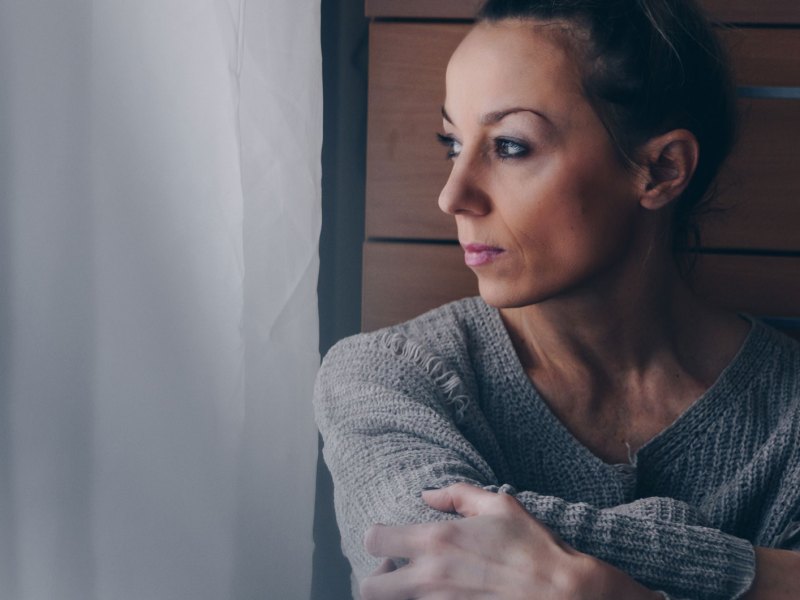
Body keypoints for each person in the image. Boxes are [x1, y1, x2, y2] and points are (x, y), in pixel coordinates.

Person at [314, 0, 800, 597]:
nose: (452, 195)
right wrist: (758, 573)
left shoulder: (791, 412)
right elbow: (429, 571)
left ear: (661, 169)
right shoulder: (387, 377)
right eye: (452, 144)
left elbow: (468, 548)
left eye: (510, 147)